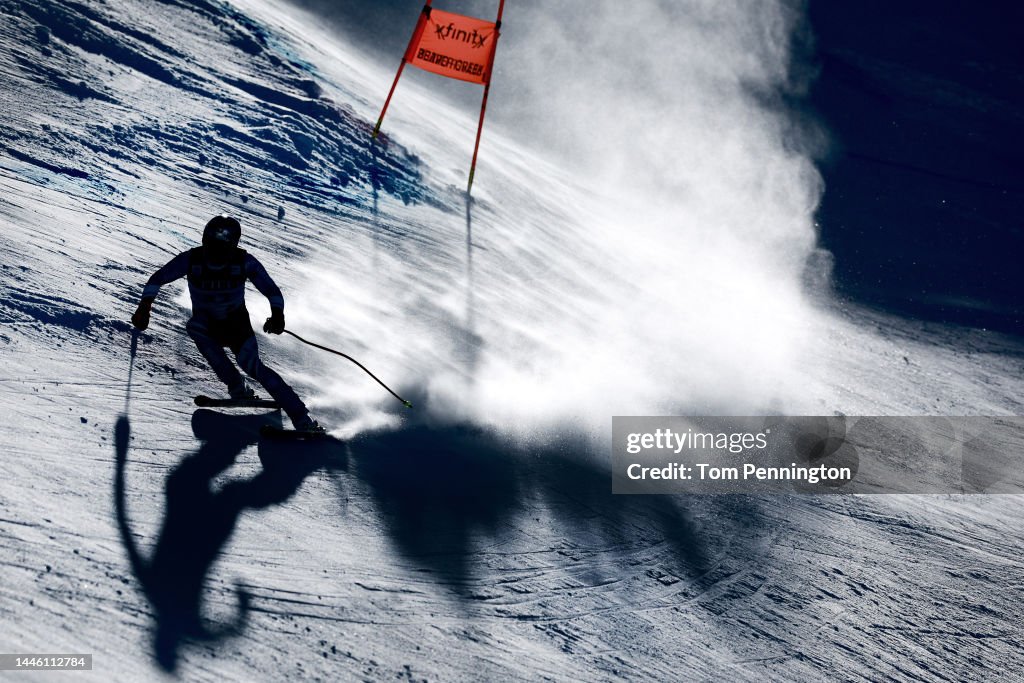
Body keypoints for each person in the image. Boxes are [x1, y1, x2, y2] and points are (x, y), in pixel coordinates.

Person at [131, 215, 323, 433]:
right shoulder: (192, 260)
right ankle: (237, 386)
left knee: (251, 365)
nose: (215, 254)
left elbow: (271, 289)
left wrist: (278, 314)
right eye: (212, 245)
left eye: (221, 247)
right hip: (208, 325)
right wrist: (144, 306)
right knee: (196, 328)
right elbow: (158, 278)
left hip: (236, 326)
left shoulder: (243, 262)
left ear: (232, 247)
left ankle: (301, 417)